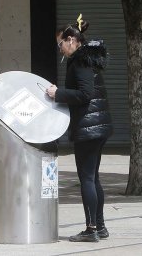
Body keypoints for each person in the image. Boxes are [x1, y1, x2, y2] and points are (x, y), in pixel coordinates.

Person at [46, 14, 113, 242]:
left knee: (87, 178)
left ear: (72, 40)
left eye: (60, 43)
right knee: (92, 178)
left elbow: (85, 94)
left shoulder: (81, 62)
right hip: (96, 126)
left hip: (89, 127)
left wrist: (58, 94)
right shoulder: (88, 59)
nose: (60, 49)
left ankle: (91, 229)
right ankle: (100, 226)